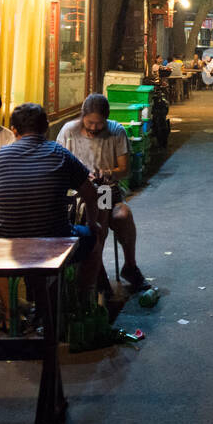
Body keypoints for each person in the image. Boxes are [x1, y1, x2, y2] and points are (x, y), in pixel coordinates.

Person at [0, 103, 107, 296]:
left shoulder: (1, 156)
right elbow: (91, 194)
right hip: (55, 242)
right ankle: (83, 297)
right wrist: (93, 224)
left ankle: (10, 315)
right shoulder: (59, 153)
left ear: (13, 130)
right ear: (46, 128)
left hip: (10, 242)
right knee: (93, 239)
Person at [56, 94, 149, 293]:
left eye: (99, 124)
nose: (94, 128)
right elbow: (59, 166)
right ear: (82, 116)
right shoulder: (68, 131)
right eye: (90, 123)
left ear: (107, 119)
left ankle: (129, 267)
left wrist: (105, 173)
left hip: (107, 189)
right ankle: (96, 273)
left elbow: (125, 170)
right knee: (93, 218)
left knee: (117, 215)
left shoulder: (117, 132)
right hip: (76, 192)